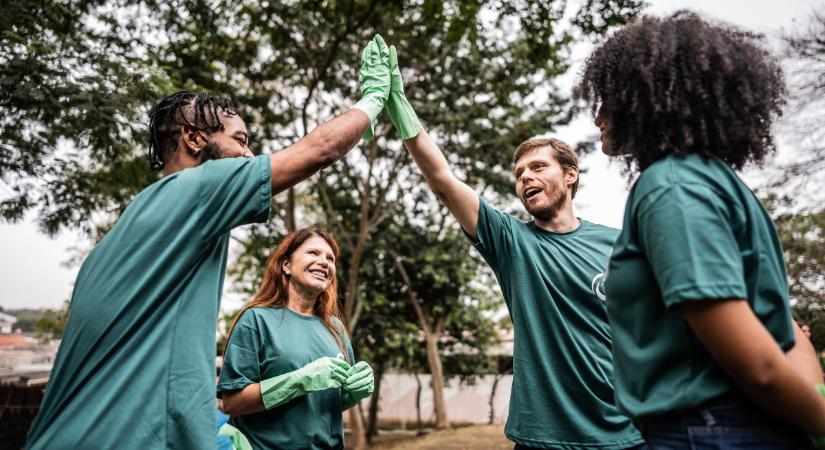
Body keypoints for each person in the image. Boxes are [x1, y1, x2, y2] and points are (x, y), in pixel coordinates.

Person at [26, 35, 390, 450]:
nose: (250, 157)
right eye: (241, 140)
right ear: (194, 139)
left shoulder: (137, 225)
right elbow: (319, 150)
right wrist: (374, 99)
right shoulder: (196, 187)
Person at [577, 11, 825, 448]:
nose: (597, 115)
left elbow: (761, 366)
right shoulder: (714, 183)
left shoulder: (671, 186)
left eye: (608, 96)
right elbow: (783, 329)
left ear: (648, 96)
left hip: (710, 431)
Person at [378, 43, 643, 449]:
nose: (525, 177)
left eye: (538, 167)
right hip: (542, 438)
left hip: (623, 433)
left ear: (570, 175)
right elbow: (444, 181)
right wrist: (399, 104)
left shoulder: (617, 242)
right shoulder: (511, 241)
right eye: (519, 173)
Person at [217, 227, 373, 450]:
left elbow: (323, 407)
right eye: (313, 253)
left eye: (330, 258)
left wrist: (353, 394)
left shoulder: (336, 329)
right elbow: (232, 403)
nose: (324, 262)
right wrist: (300, 380)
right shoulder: (256, 320)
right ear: (286, 265)